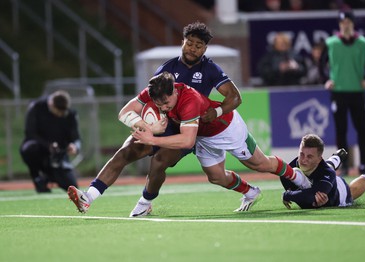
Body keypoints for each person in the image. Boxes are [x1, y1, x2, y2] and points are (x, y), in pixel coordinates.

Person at [67, 22, 273, 216]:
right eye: (189, 43)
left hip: (191, 128)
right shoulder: (165, 72)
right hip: (168, 125)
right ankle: (88, 197)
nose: (192, 48)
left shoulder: (209, 70)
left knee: (160, 163)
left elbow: (233, 97)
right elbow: (127, 111)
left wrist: (217, 113)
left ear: (205, 49)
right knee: (125, 152)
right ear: (182, 42)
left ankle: (145, 203)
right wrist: (146, 125)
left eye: (198, 45)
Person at [68, 72, 312, 215]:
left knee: (259, 163)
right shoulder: (154, 90)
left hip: (225, 128)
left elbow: (187, 140)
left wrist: (151, 136)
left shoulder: (189, 100)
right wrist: (142, 125)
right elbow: (125, 111)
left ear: (174, 92)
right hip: (203, 136)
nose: (163, 109)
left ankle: (298, 178)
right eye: (159, 105)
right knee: (216, 177)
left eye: (166, 104)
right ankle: (251, 192)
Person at [318, 10, 365, 175]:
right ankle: (343, 164)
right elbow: (321, 64)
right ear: (340, 24)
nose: (346, 25)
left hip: (357, 92)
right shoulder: (331, 43)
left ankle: (363, 162)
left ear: (353, 23)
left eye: (348, 21)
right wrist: (326, 80)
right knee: (341, 130)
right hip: (339, 92)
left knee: (362, 129)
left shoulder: (363, 43)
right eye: (343, 22)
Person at [280, 134, 365, 209]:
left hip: (338, 192)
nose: (303, 159)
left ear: (320, 158)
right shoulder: (290, 169)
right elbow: (304, 200)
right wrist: (298, 196)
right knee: (325, 166)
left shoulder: (327, 172)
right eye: (301, 154)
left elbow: (310, 197)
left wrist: (288, 195)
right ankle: (338, 156)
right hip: (321, 176)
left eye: (309, 156)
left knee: (351, 192)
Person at [20, 90, 81, 193]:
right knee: (29, 149)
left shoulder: (70, 114)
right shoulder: (36, 107)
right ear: (51, 104)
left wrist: (74, 146)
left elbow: (76, 138)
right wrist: (48, 145)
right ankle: (37, 178)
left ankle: (47, 178)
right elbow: (30, 133)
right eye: (58, 112)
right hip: (39, 150)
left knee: (72, 186)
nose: (60, 115)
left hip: (58, 157)